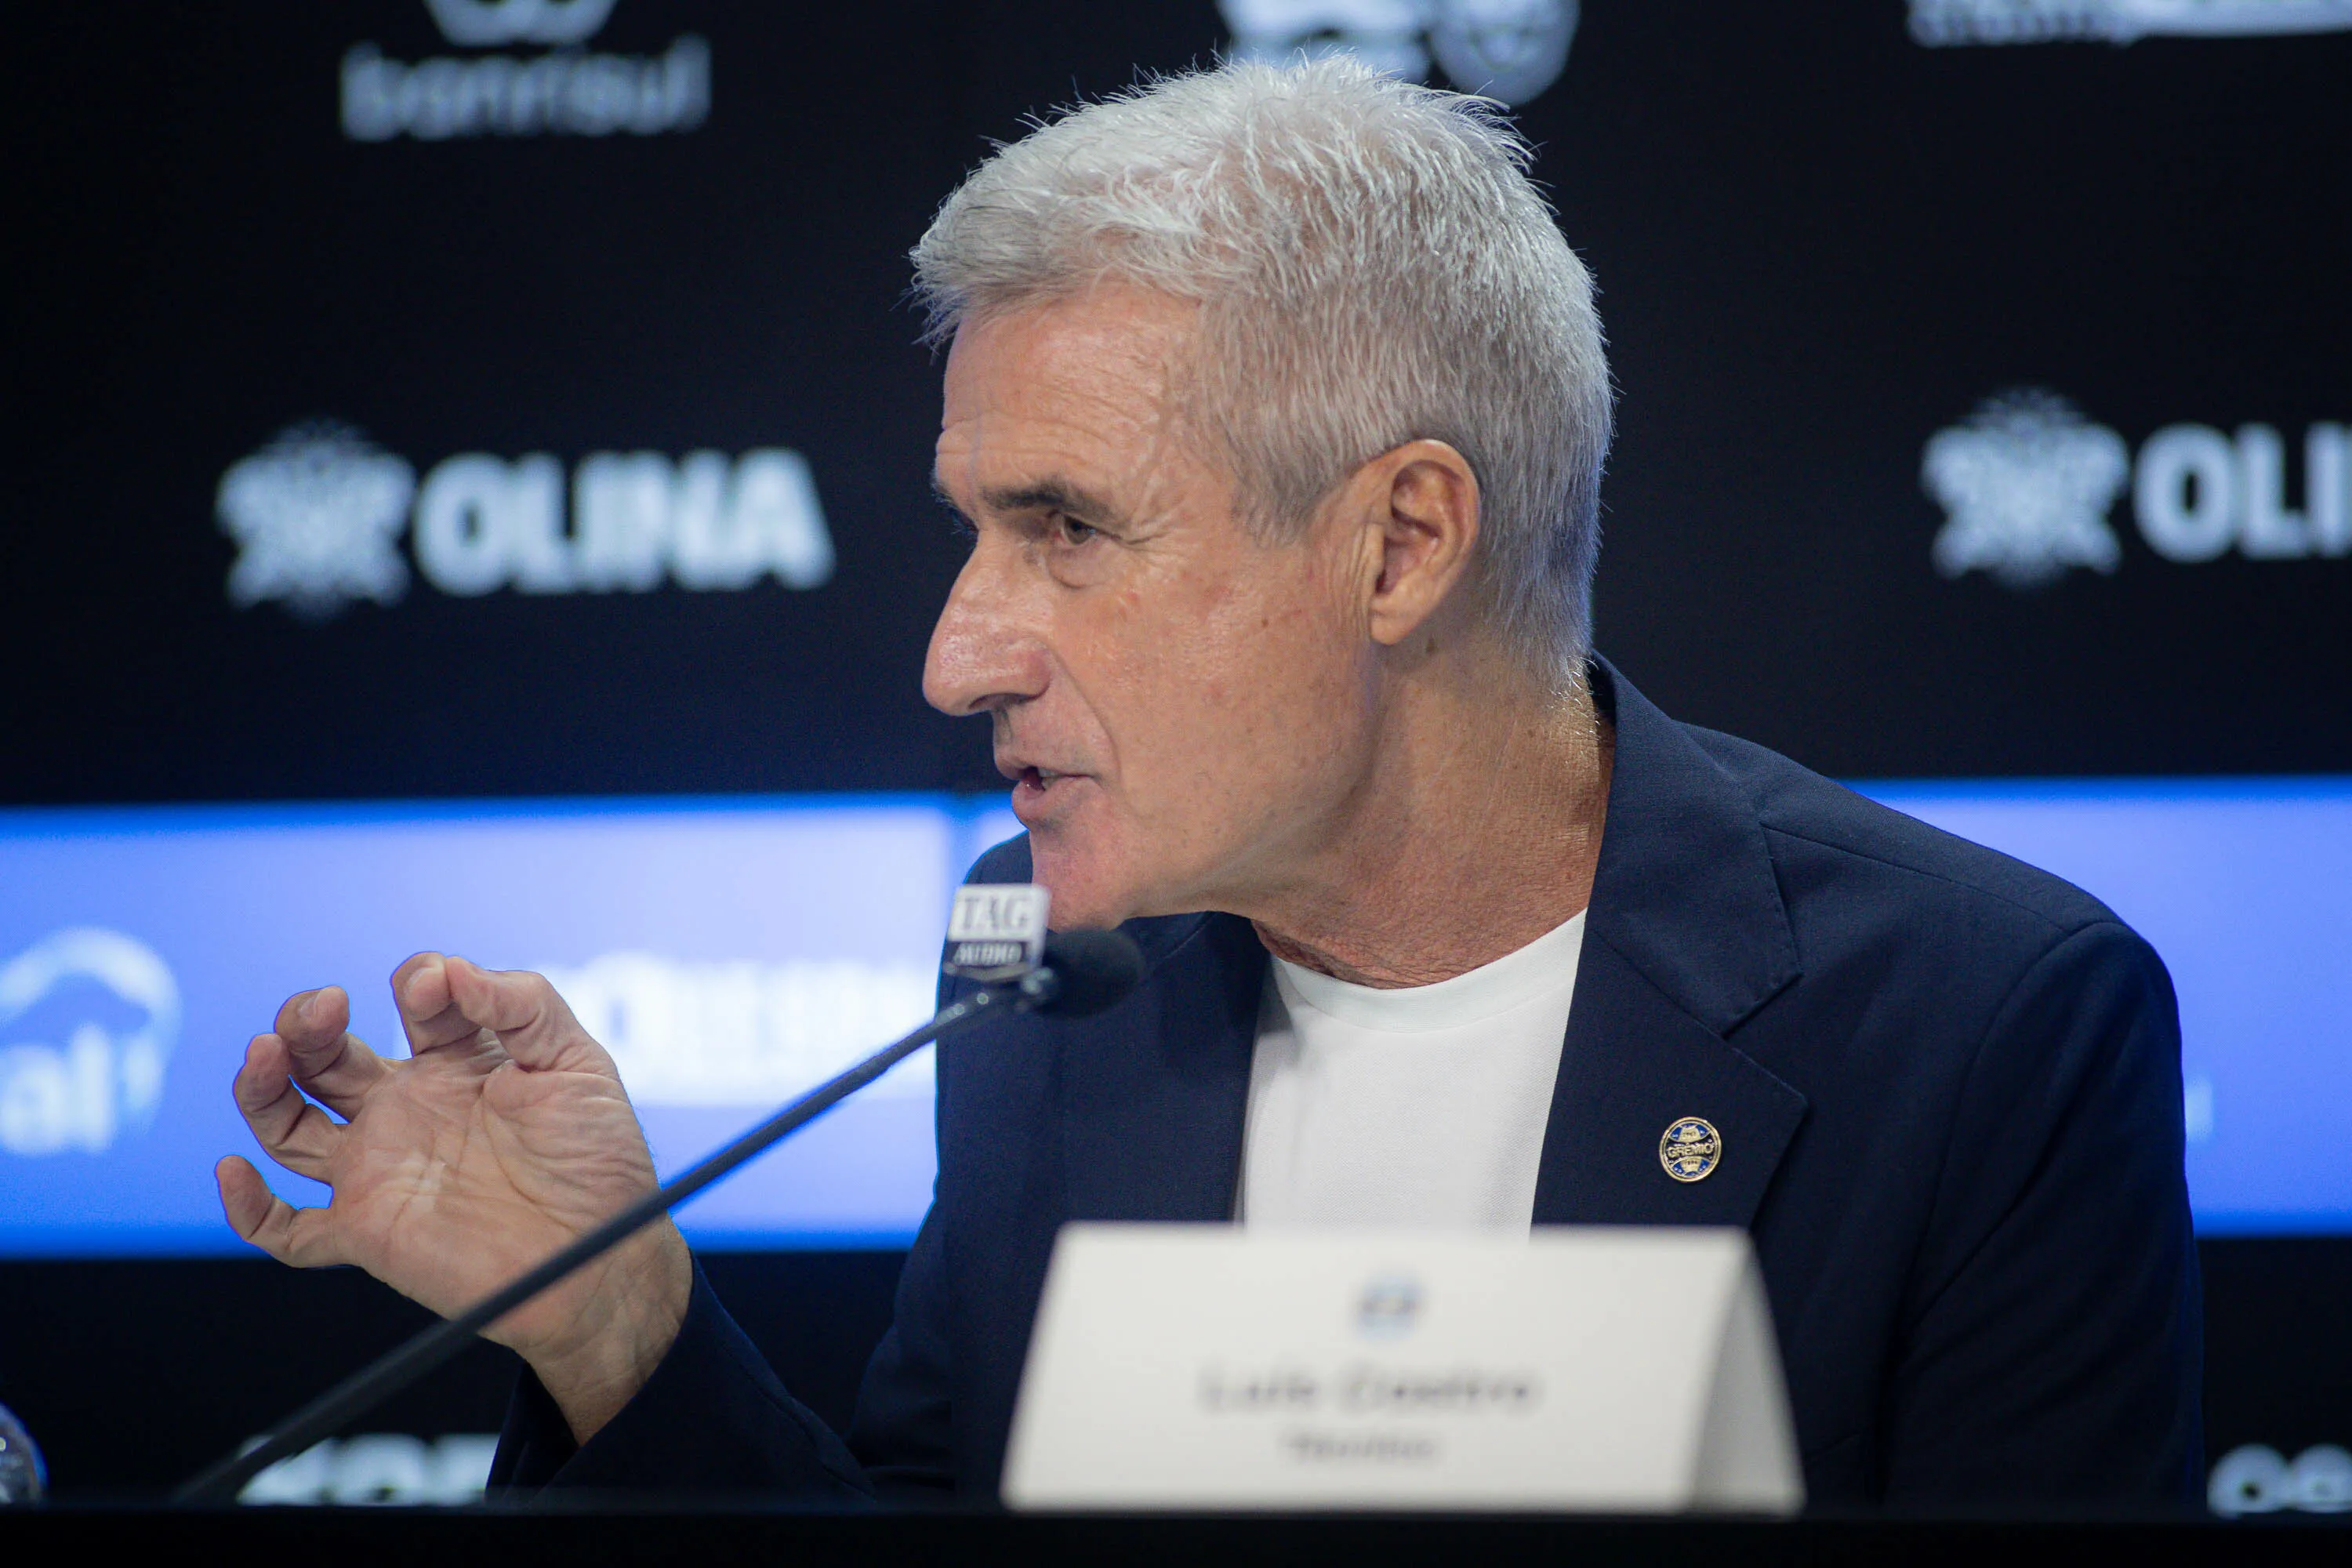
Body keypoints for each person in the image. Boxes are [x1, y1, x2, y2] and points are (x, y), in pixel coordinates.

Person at [215, 58, 2200, 1508]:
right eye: (974, 530)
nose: (955, 651)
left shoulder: (1976, 1031)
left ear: (1403, 544)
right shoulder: (1059, 989)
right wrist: (614, 1319)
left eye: (1067, 524)